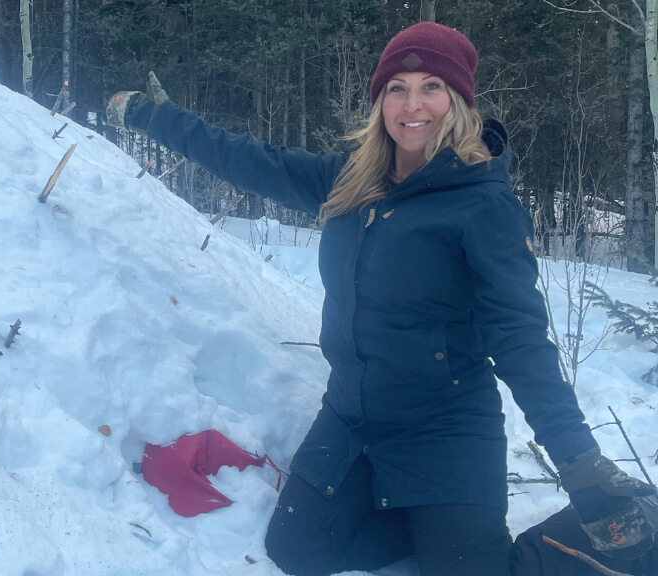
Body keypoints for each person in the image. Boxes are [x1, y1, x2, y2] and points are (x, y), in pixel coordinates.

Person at [107, 21, 656, 576]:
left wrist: (578, 461)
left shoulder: (484, 205)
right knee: (298, 550)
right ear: (380, 102)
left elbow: (521, 341)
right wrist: (157, 119)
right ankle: (428, 526)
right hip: (351, 419)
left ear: (459, 101)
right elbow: (253, 161)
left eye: (431, 87)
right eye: (398, 88)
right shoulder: (351, 181)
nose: (412, 105)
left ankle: (619, 525)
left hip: (445, 428)